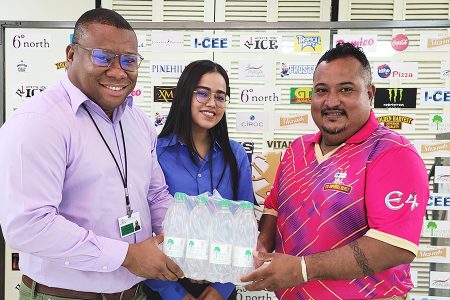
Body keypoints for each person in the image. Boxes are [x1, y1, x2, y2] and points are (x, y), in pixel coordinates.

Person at [0, 8, 183, 300]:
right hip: (61, 296)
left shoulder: (139, 123)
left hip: (133, 293)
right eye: (103, 57)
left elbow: (156, 195)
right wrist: (127, 255)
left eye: (129, 60)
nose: (118, 71)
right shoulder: (38, 123)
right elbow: (28, 225)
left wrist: (186, 244)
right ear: (71, 55)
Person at [240, 43, 429, 299]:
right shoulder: (297, 149)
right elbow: (275, 207)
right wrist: (261, 244)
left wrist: (303, 269)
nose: (331, 101)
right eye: (321, 90)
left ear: (370, 95)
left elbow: (394, 246)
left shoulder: (392, 153)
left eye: (346, 89)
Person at [144, 60, 254, 300]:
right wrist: (172, 293)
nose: (212, 103)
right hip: (165, 285)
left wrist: (221, 289)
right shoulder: (156, 153)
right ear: (185, 95)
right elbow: (143, 233)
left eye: (220, 96)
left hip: (221, 284)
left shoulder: (235, 156)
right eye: (202, 93)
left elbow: (246, 231)